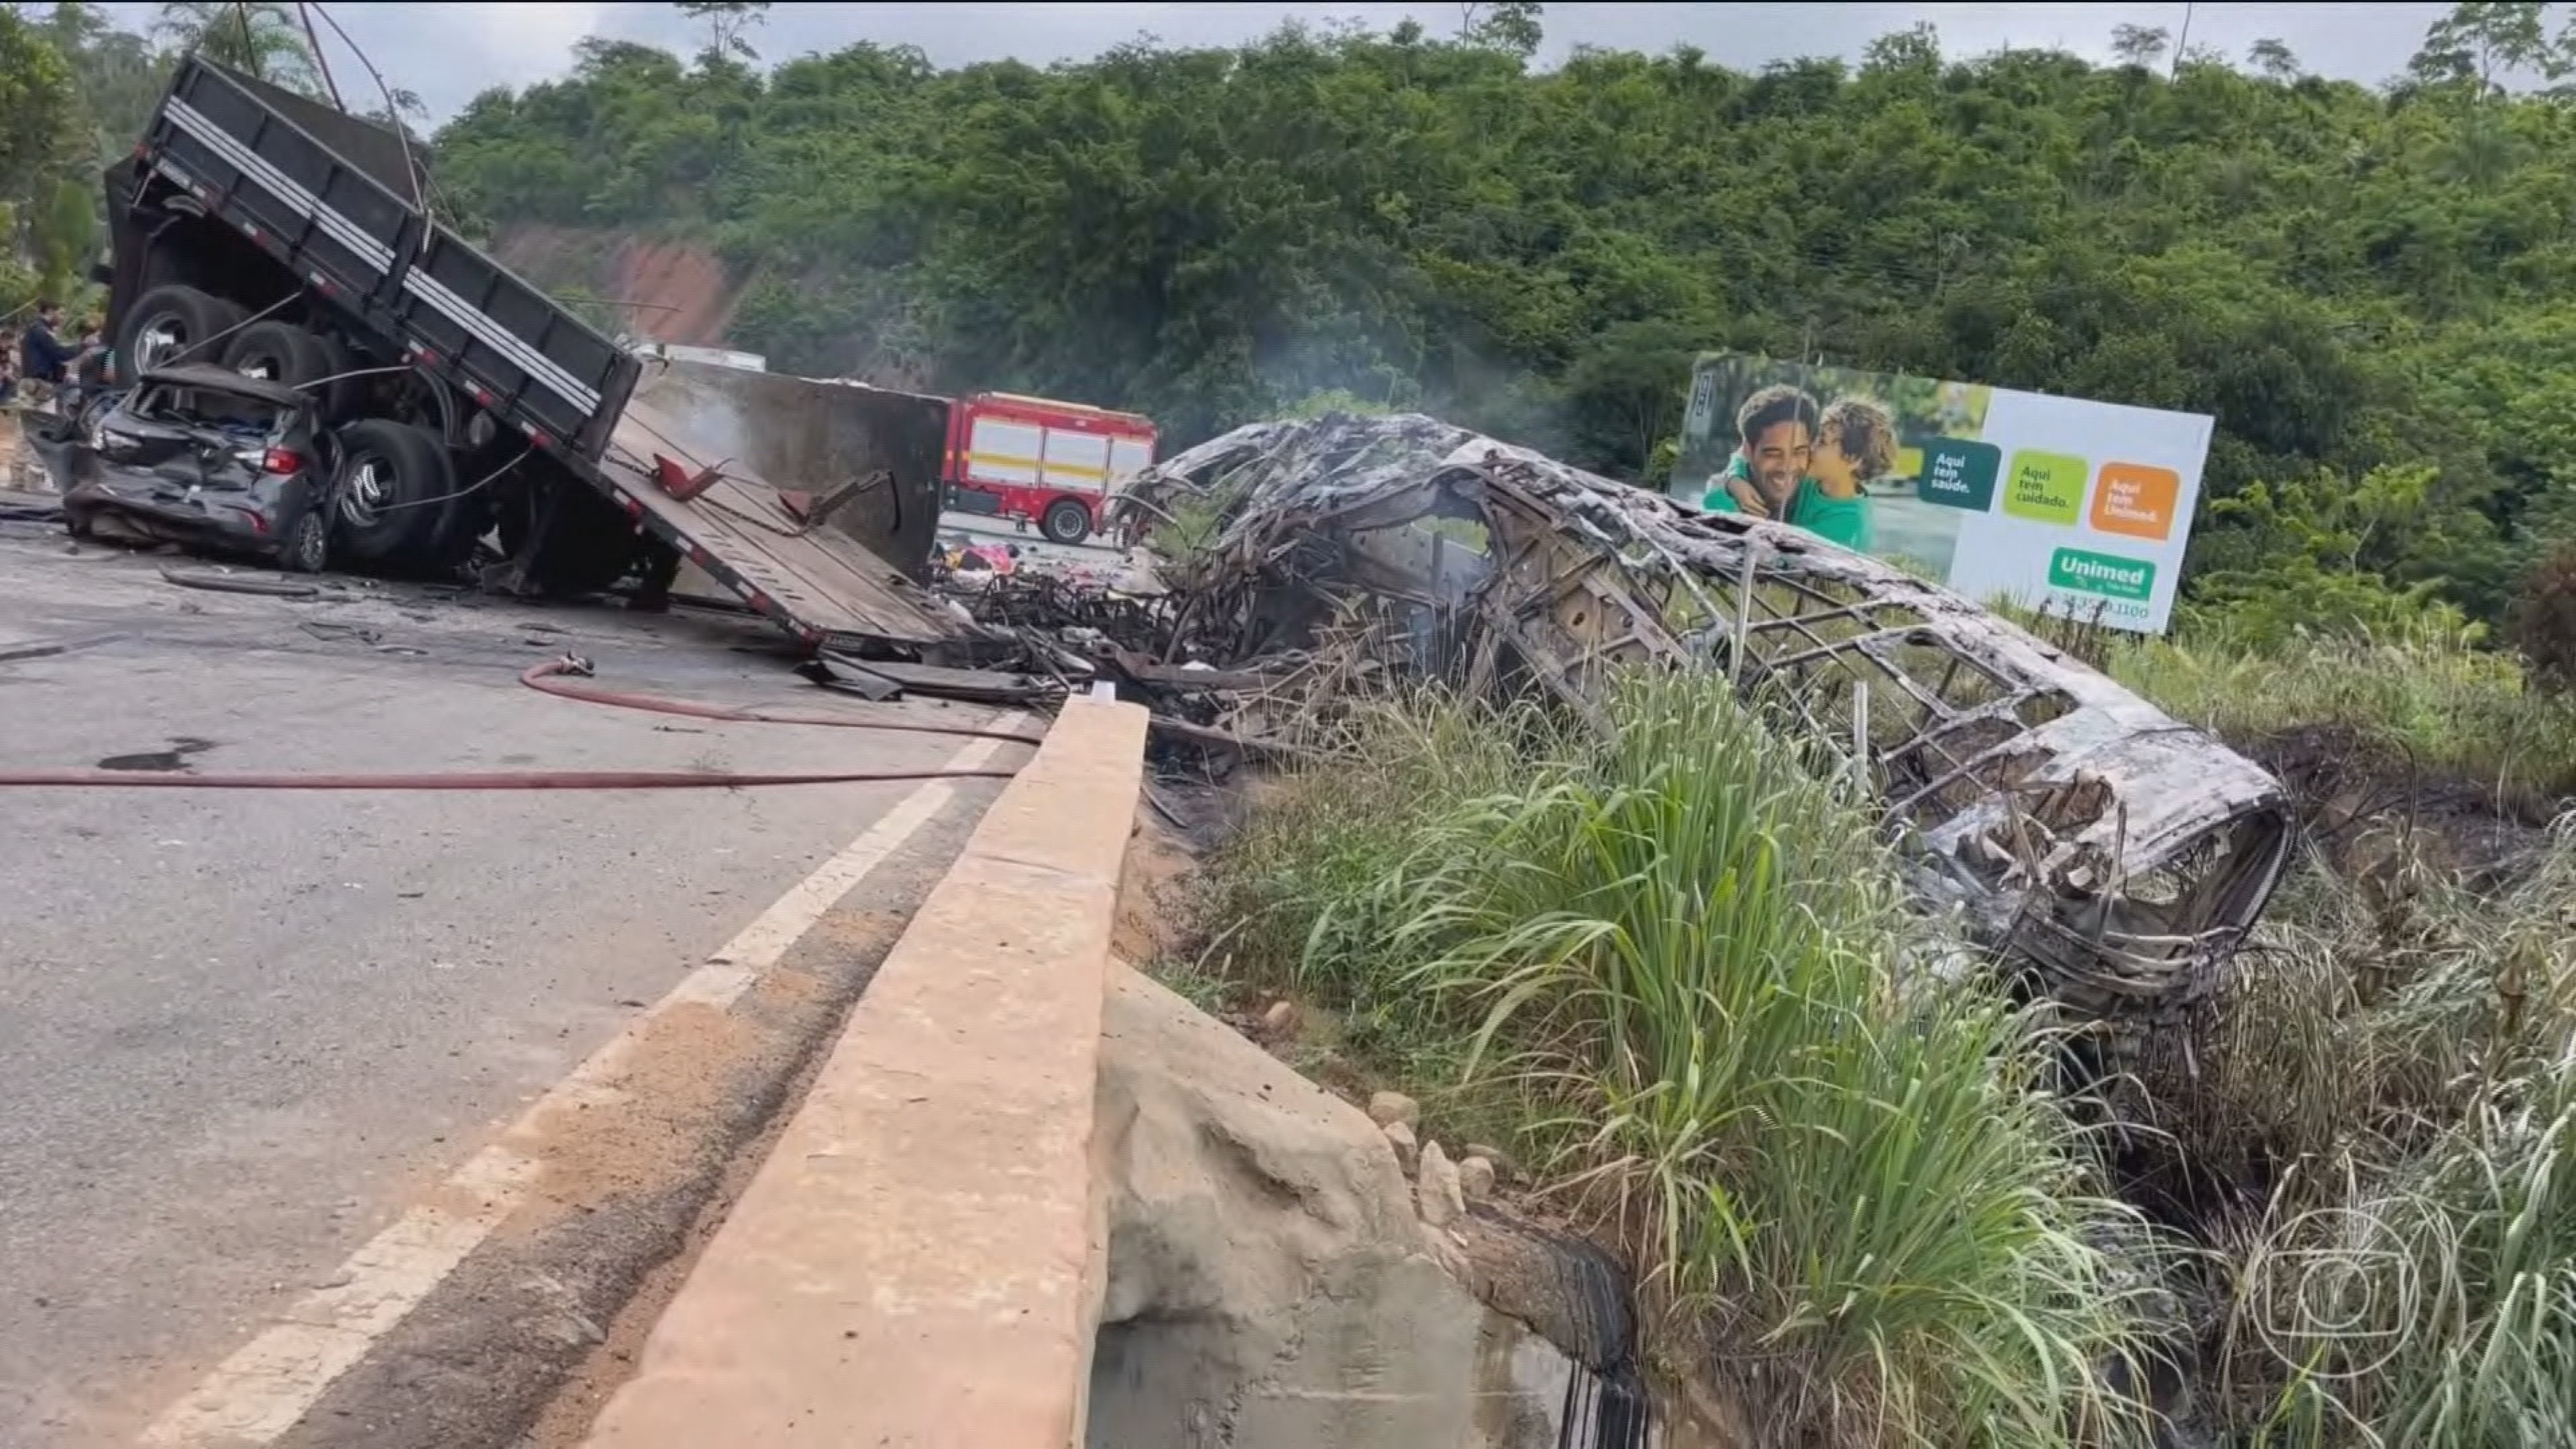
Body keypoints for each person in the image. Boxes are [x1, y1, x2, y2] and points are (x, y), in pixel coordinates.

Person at [1701, 386, 1886, 552]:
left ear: (1852, 459)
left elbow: (1767, 554)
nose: (1810, 448)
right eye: (1814, 439)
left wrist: (1722, 493)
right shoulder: (1817, 483)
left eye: (1821, 442)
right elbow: (1743, 453)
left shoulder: (1846, 526)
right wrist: (1735, 480)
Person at [17, 302, 74, 415]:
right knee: (37, 422)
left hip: (40, 384)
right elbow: (58, 353)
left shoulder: (38, 329)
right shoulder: (40, 330)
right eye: (61, 314)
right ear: (50, 312)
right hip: (36, 384)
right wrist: (84, 346)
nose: (63, 318)